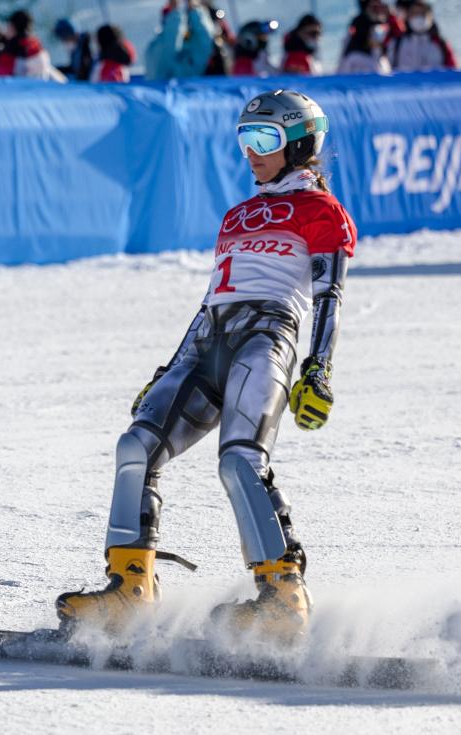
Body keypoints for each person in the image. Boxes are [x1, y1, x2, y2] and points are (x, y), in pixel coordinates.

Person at [56, 89, 357, 643]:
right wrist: (168, 369)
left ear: (299, 144)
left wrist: (319, 368)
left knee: (240, 461)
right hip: (208, 342)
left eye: (264, 139)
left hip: (267, 335)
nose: (251, 151)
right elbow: (209, 302)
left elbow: (330, 295)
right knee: (135, 448)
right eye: (245, 139)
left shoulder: (321, 210)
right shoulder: (238, 215)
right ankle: (129, 592)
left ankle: (282, 598)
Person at [145, 0, 215, 81]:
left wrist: (194, 11)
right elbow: (169, 46)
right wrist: (179, 12)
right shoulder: (156, 49)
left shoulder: (154, 46)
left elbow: (205, 43)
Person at [0, 9, 64, 81]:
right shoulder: (35, 44)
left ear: (13, 27)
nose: (6, 28)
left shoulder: (13, 48)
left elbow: (0, 72)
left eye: (9, 25)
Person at [388, 0, 457, 72]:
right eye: (415, 13)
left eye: (423, 14)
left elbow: (452, 72)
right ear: (408, 16)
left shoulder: (441, 44)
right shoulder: (397, 43)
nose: (419, 17)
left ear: (431, 16)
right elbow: (387, 72)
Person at [53, 17, 92, 82]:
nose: (63, 41)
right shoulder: (76, 48)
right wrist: (56, 69)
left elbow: (86, 73)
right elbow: (73, 69)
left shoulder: (87, 46)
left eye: (64, 38)